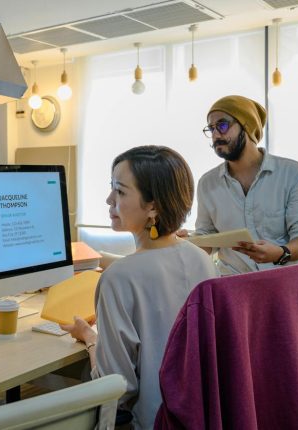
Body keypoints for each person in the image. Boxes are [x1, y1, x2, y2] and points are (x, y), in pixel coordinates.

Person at [60, 145, 217, 430]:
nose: (109, 200)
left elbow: (116, 386)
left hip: (152, 420)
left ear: (153, 206)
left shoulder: (119, 279)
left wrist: (90, 338)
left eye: (120, 192)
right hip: (199, 415)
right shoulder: (201, 259)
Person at [191, 95, 298, 274]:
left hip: (284, 282)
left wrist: (280, 253)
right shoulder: (207, 183)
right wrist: (184, 245)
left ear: (247, 126)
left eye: (222, 125)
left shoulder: (294, 174)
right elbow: (206, 237)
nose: (215, 135)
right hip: (233, 284)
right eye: (211, 128)